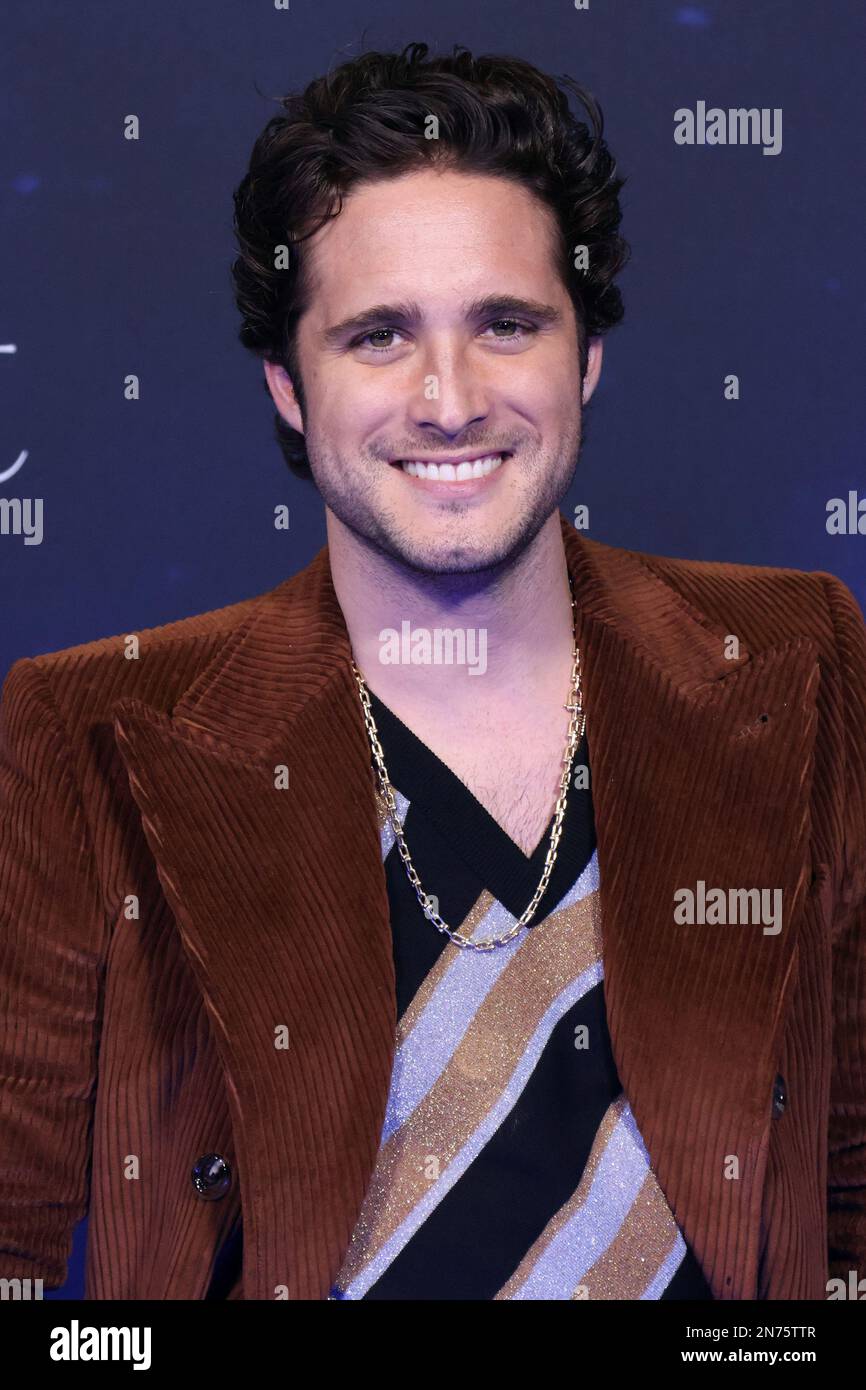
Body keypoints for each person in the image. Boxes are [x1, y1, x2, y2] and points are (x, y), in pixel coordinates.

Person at [1, 41, 864, 1302]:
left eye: (504, 324)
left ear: (585, 360)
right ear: (290, 389)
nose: (447, 399)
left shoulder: (798, 657)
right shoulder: (94, 727)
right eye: (377, 335)